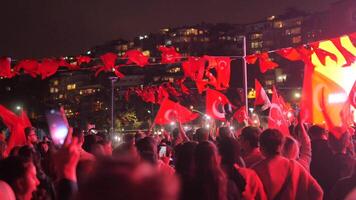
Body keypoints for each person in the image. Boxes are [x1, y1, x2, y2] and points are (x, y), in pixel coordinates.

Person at [253, 129, 323, 200]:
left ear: (261, 147)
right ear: (281, 145)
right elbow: (318, 192)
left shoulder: (255, 170)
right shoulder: (294, 166)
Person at [309, 125, 334, 192]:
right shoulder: (329, 145)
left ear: (311, 134)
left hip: (313, 177)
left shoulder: (308, 146)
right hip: (328, 177)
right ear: (322, 133)